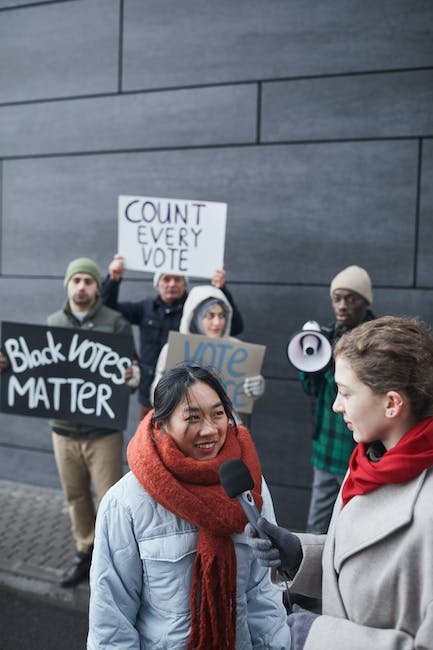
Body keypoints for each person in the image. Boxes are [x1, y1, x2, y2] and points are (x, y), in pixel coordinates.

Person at [246, 316, 433, 649]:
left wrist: (321, 636)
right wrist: (300, 555)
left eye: (346, 393)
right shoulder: (367, 463)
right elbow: (363, 570)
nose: (335, 405)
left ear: (391, 403)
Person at [87, 365, 291, 649]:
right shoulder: (125, 501)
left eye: (218, 414)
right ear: (161, 424)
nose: (209, 430)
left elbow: (263, 593)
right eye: (193, 418)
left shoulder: (249, 484)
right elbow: (112, 615)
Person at [48, 257, 139, 588]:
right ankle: (84, 550)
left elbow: (132, 371)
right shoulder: (53, 321)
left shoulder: (116, 323)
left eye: (88, 281)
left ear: (97, 287)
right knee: (75, 496)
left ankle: (111, 557)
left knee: (110, 500)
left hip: (103, 432)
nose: (82, 286)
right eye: (76, 281)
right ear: (68, 285)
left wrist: (132, 376)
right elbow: (38, 369)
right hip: (63, 430)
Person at [100, 254, 244, 419]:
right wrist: (113, 279)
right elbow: (109, 310)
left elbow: (235, 327)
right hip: (150, 393)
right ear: (157, 284)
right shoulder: (144, 308)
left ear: (185, 284)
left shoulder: (195, 309)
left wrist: (221, 289)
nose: (172, 284)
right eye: (166, 279)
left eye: (177, 279)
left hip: (190, 396)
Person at [300, 264, 375, 533]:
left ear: (364, 302)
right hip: (325, 449)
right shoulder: (323, 336)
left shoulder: (376, 341)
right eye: (337, 298)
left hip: (357, 449)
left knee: (353, 526)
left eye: (350, 299)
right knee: (316, 525)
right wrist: (309, 364)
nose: (342, 306)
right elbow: (311, 390)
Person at [150, 284, 265, 407]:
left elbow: (243, 394)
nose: (217, 323)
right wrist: (162, 389)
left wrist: (255, 387)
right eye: (210, 315)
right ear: (196, 317)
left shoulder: (238, 350)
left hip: (227, 423)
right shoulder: (172, 349)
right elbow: (155, 398)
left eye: (221, 316)